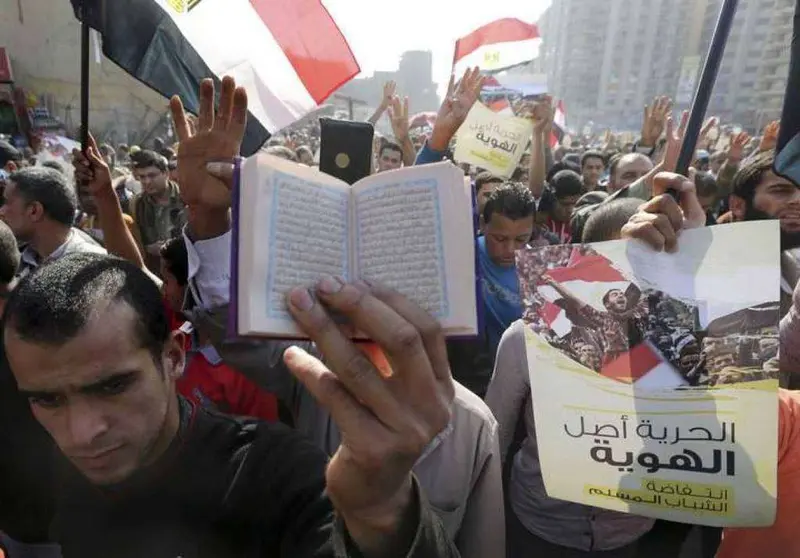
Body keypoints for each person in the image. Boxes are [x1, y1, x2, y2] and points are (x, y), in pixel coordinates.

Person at [0, 75, 460, 558]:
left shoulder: (277, 476)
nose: (83, 432)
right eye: (48, 400)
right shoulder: (53, 474)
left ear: (175, 356)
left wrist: (384, 515)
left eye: (113, 386)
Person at [0, 166, 105, 279]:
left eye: (7, 202)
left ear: (34, 211)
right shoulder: (16, 254)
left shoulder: (93, 270)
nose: (1, 211)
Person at [129, 149, 186, 272]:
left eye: (152, 175)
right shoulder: (136, 204)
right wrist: (147, 248)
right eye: (142, 177)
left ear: (165, 173)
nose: (147, 181)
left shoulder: (186, 197)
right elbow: (133, 240)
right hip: (154, 273)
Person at [544, 170, 583, 244]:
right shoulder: (540, 223)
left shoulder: (580, 225)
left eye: (575, 204)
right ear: (551, 199)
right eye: (565, 204)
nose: (571, 210)